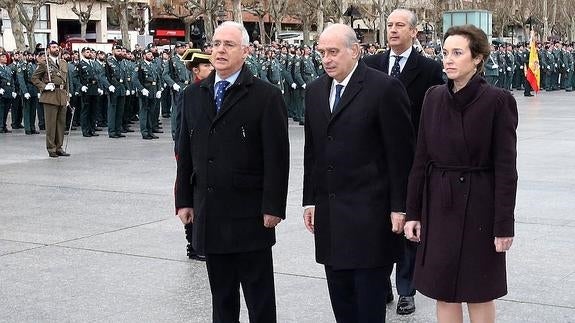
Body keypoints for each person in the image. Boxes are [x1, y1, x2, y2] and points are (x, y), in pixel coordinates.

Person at [174, 21, 289, 323]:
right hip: (210, 211)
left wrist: (273, 206)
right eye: (216, 43)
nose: (220, 50)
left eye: (229, 44)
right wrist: (184, 200)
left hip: (250, 215)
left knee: (259, 298)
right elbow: (186, 152)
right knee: (222, 298)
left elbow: (277, 158)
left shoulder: (266, 95)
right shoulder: (194, 94)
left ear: (246, 51)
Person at [404, 24, 517, 323]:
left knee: (479, 290)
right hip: (440, 204)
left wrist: (503, 225)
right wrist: (413, 212)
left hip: (481, 205)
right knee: (443, 289)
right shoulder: (433, 98)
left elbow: (507, 169)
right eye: (445, 53)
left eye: (457, 53)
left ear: (477, 58)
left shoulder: (498, 101)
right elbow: (420, 159)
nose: (448, 60)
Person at [303, 23, 415, 323]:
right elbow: (312, 151)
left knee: (368, 306)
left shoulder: (384, 88)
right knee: (342, 303)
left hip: (370, 217)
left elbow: (401, 154)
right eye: (322, 52)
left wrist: (400, 206)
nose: (326, 59)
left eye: (333, 52)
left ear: (355, 51)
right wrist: (310, 200)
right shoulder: (314, 91)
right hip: (330, 217)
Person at [362, 8, 444, 315]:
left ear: (414, 32)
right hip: (372, 160)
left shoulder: (430, 69)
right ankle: (381, 283)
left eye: (400, 25)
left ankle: (407, 289)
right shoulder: (370, 64)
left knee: (409, 222)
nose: (393, 30)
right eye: (390, 25)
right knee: (377, 224)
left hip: (411, 159)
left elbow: (435, 115)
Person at [175, 50, 213, 261]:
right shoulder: (189, 92)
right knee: (189, 197)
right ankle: (192, 244)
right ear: (196, 70)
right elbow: (180, 126)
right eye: (207, 66)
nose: (211, 69)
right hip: (189, 155)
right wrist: (181, 154)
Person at [31, 41, 71, 158]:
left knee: (60, 124)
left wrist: (67, 96)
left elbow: (66, 81)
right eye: (53, 47)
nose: (56, 49)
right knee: (51, 124)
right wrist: (44, 86)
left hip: (62, 95)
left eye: (57, 47)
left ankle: (59, 147)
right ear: (48, 49)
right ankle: (51, 148)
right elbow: (34, 78)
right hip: (50, 96)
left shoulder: (63, 63)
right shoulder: (44, 63)